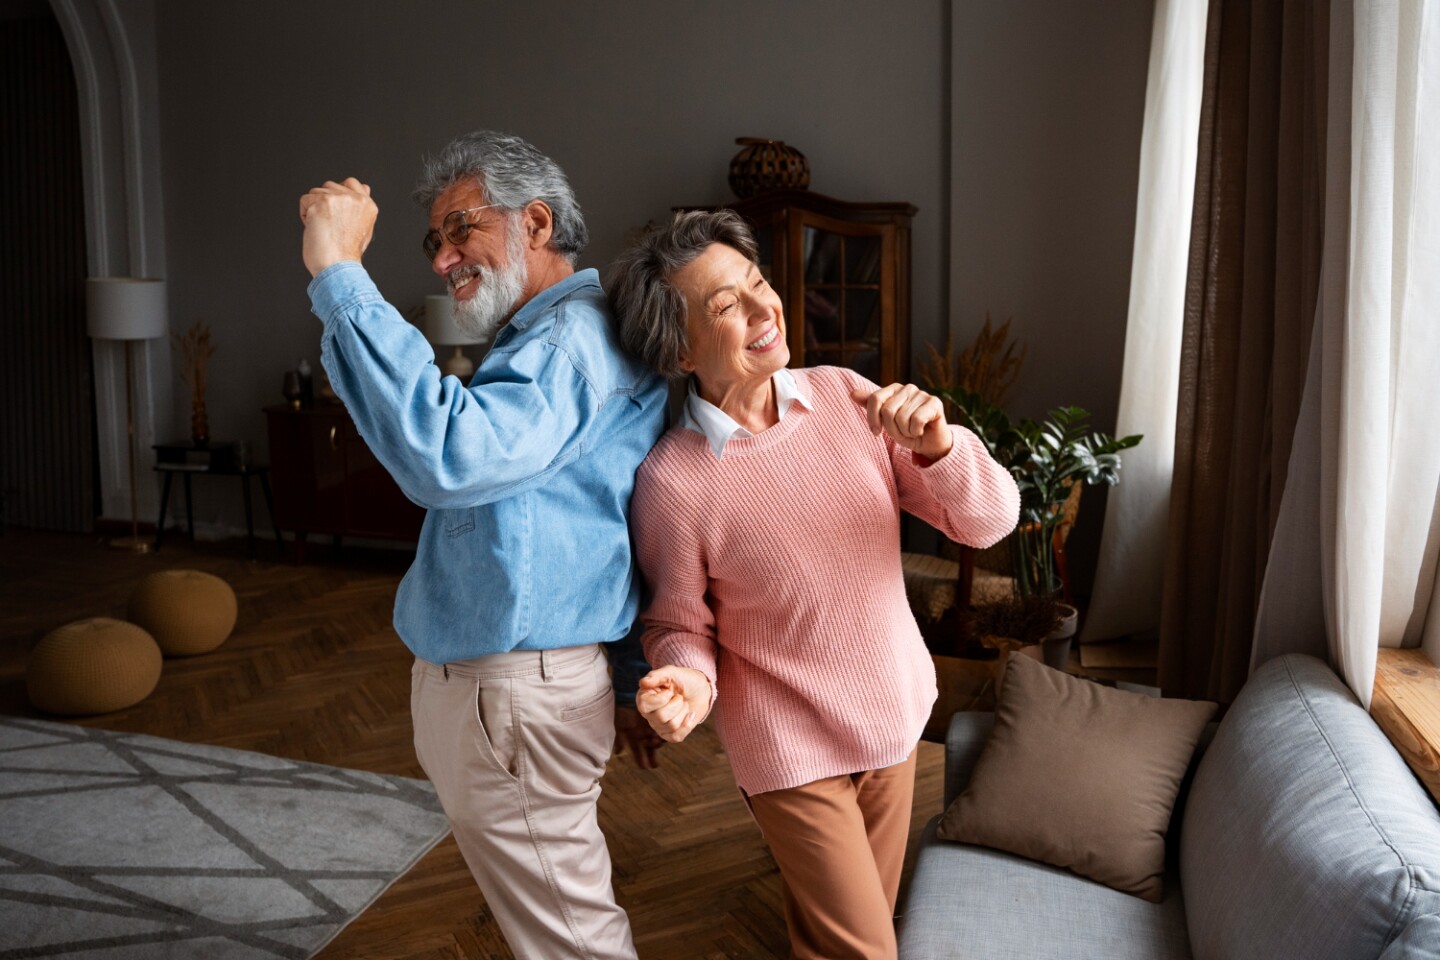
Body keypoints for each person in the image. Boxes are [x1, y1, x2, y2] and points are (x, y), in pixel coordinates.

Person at [607, 210, 1020, 960]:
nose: (766, 308)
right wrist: (688, 686)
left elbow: (988, 523)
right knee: (865, 950)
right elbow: (679, 626)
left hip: (894, 721)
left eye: (757, 283)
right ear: (679, 349)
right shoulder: (673, 482)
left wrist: (940, 446)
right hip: (790, 748)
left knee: (835, 938)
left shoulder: (845, 398)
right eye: (727, 306)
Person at [297, 131, 667, 960]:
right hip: (515, 691)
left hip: (513, 696)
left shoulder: (568, 342)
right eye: (434, 241)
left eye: (462, 229)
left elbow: (449, 454)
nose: (443, 258)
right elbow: (621, 521)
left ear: (535, 223)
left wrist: (338, 274)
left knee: (572, 943)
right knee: (556, 931)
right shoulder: (555, 338)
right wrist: (630, 670)